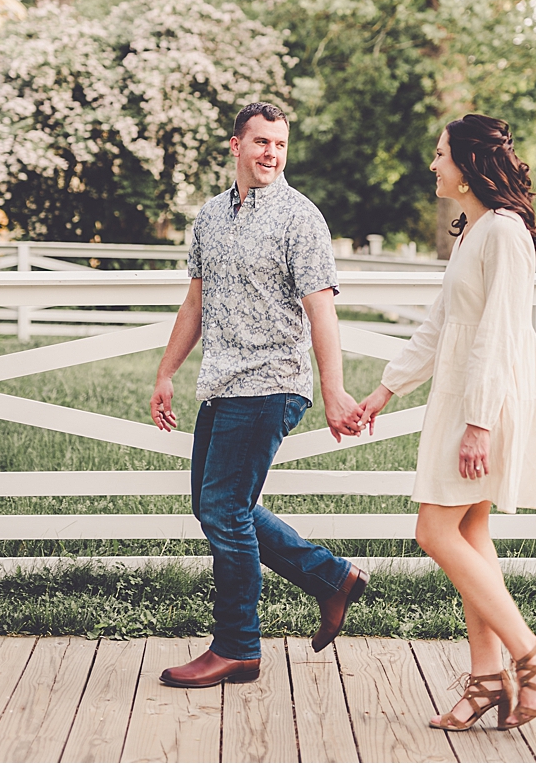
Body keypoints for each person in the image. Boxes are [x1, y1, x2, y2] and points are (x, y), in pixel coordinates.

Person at [358, 113, 536, 731]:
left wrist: (479, 423)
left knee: (434, 531)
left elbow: (501, 333)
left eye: (442, 153)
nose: (433, 164)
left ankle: (530, 657)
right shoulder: (473, 231)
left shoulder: (504, 233)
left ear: (471, 164)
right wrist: (384, 390)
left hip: (490, 399)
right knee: (470, 532)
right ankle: (485, 679)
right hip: (461, 394)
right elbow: (439, 325)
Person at [151, 101, 370, 688]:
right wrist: (166, 373)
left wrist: (333, 388)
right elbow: (195, 302)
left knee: (223, 510)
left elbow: (321, 311)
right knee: (216, 505)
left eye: (280, 143)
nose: (271, 153)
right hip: (220, 383)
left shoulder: (301, 218)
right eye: (261, 142)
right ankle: (332, 578)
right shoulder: (210, 218)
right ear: (235, 146)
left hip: (273, 382)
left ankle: (239, 648)